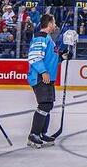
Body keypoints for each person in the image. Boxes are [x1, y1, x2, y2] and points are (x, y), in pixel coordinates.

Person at [26, 13, 61, 147]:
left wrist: (63, 56)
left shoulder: (48, 39)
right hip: (40, 77)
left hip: (47, 78)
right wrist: (43, 71)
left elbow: (51, 58)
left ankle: (40, 133)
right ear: (50, 23)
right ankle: (34, 134)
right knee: (44, 105)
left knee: (48, 105)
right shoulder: (40, 37)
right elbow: (34, 56)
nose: (55, 25)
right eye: (54, 22)